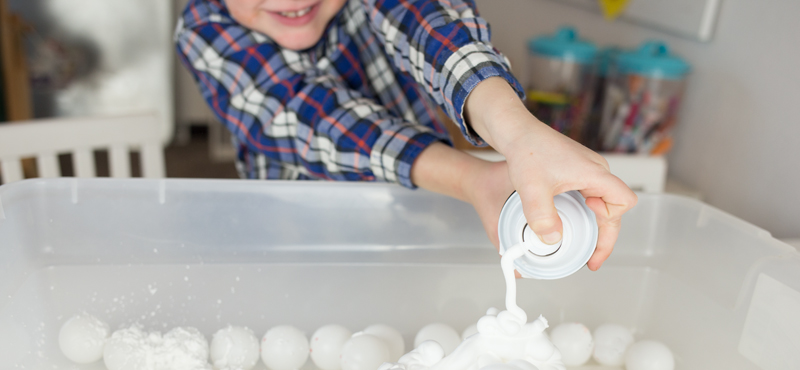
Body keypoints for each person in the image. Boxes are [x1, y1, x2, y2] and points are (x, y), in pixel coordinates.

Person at [175, 0, 637, 270]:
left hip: (421, 221)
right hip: (295, 240)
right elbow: (317, 118)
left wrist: (518, 132)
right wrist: (472, 178)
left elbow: (432, 23)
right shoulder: (203, 30)